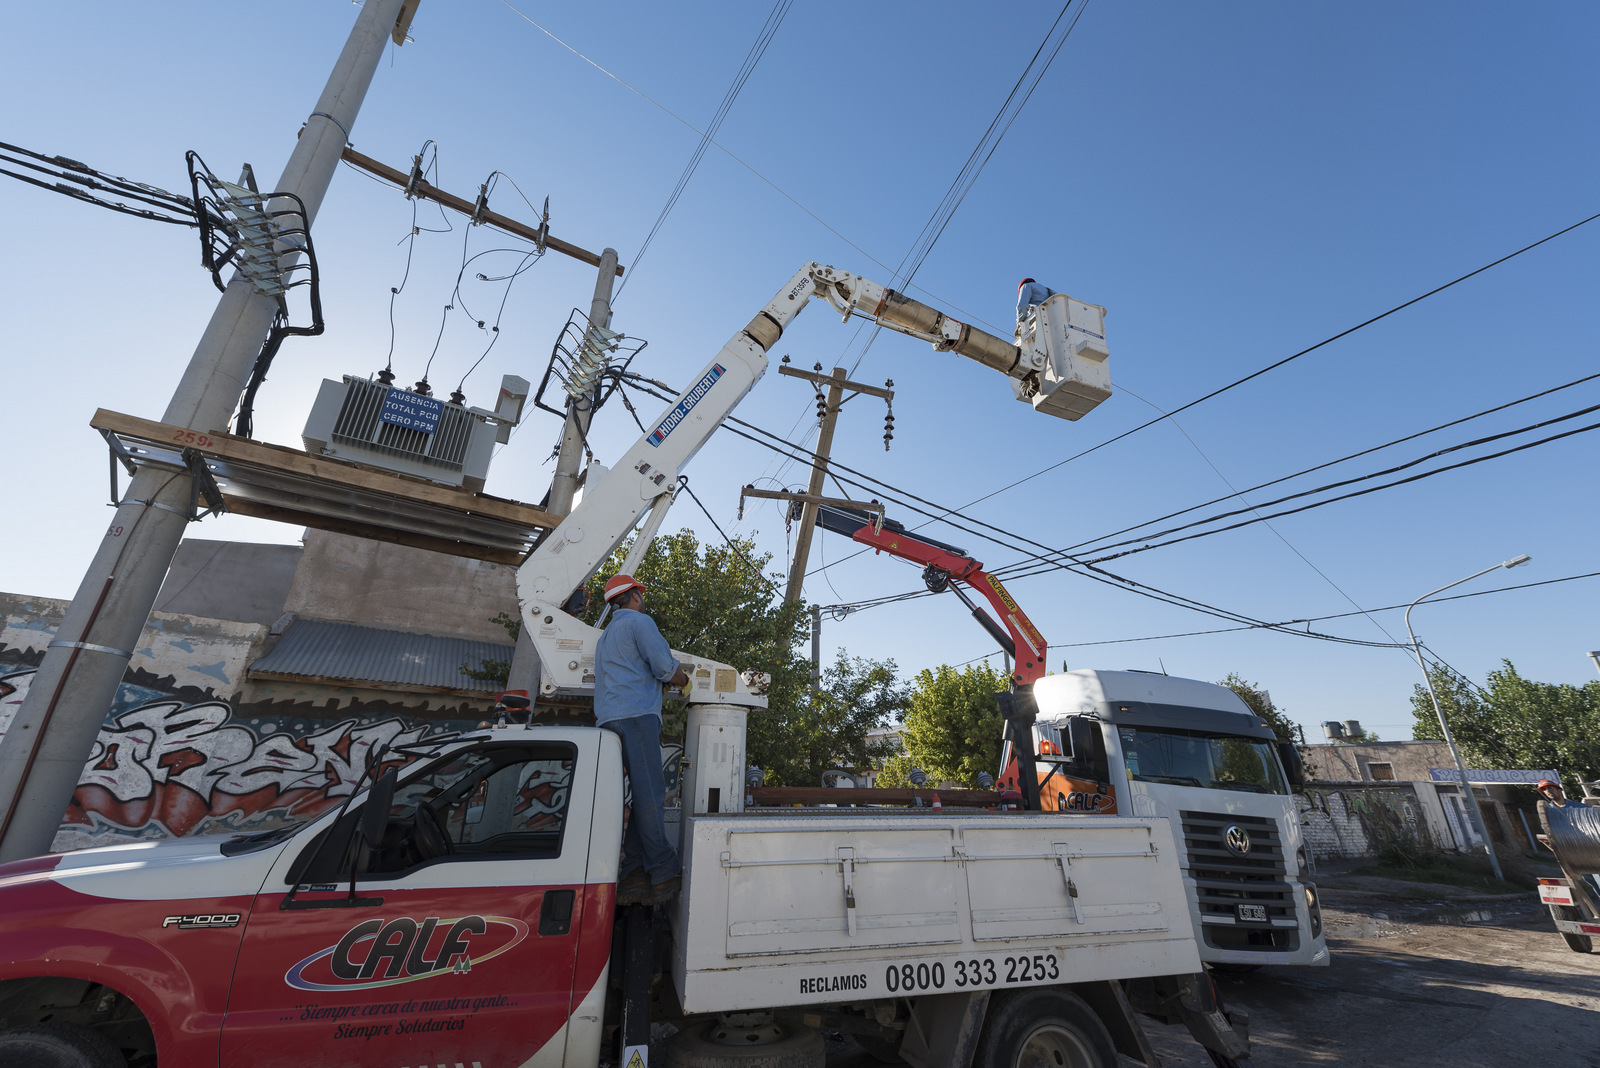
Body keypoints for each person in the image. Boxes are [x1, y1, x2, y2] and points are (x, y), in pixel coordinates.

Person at [594, 574, 690, 905]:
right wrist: (683, 679)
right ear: (634, 596)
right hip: (637, 716)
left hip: (608, 719)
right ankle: (664, 869)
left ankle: (634, 872)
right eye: (641, 594)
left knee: (637, 794)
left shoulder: (605, 637)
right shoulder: (640, 622)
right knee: (651, 791)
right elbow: (664, 666)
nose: (642, 599)